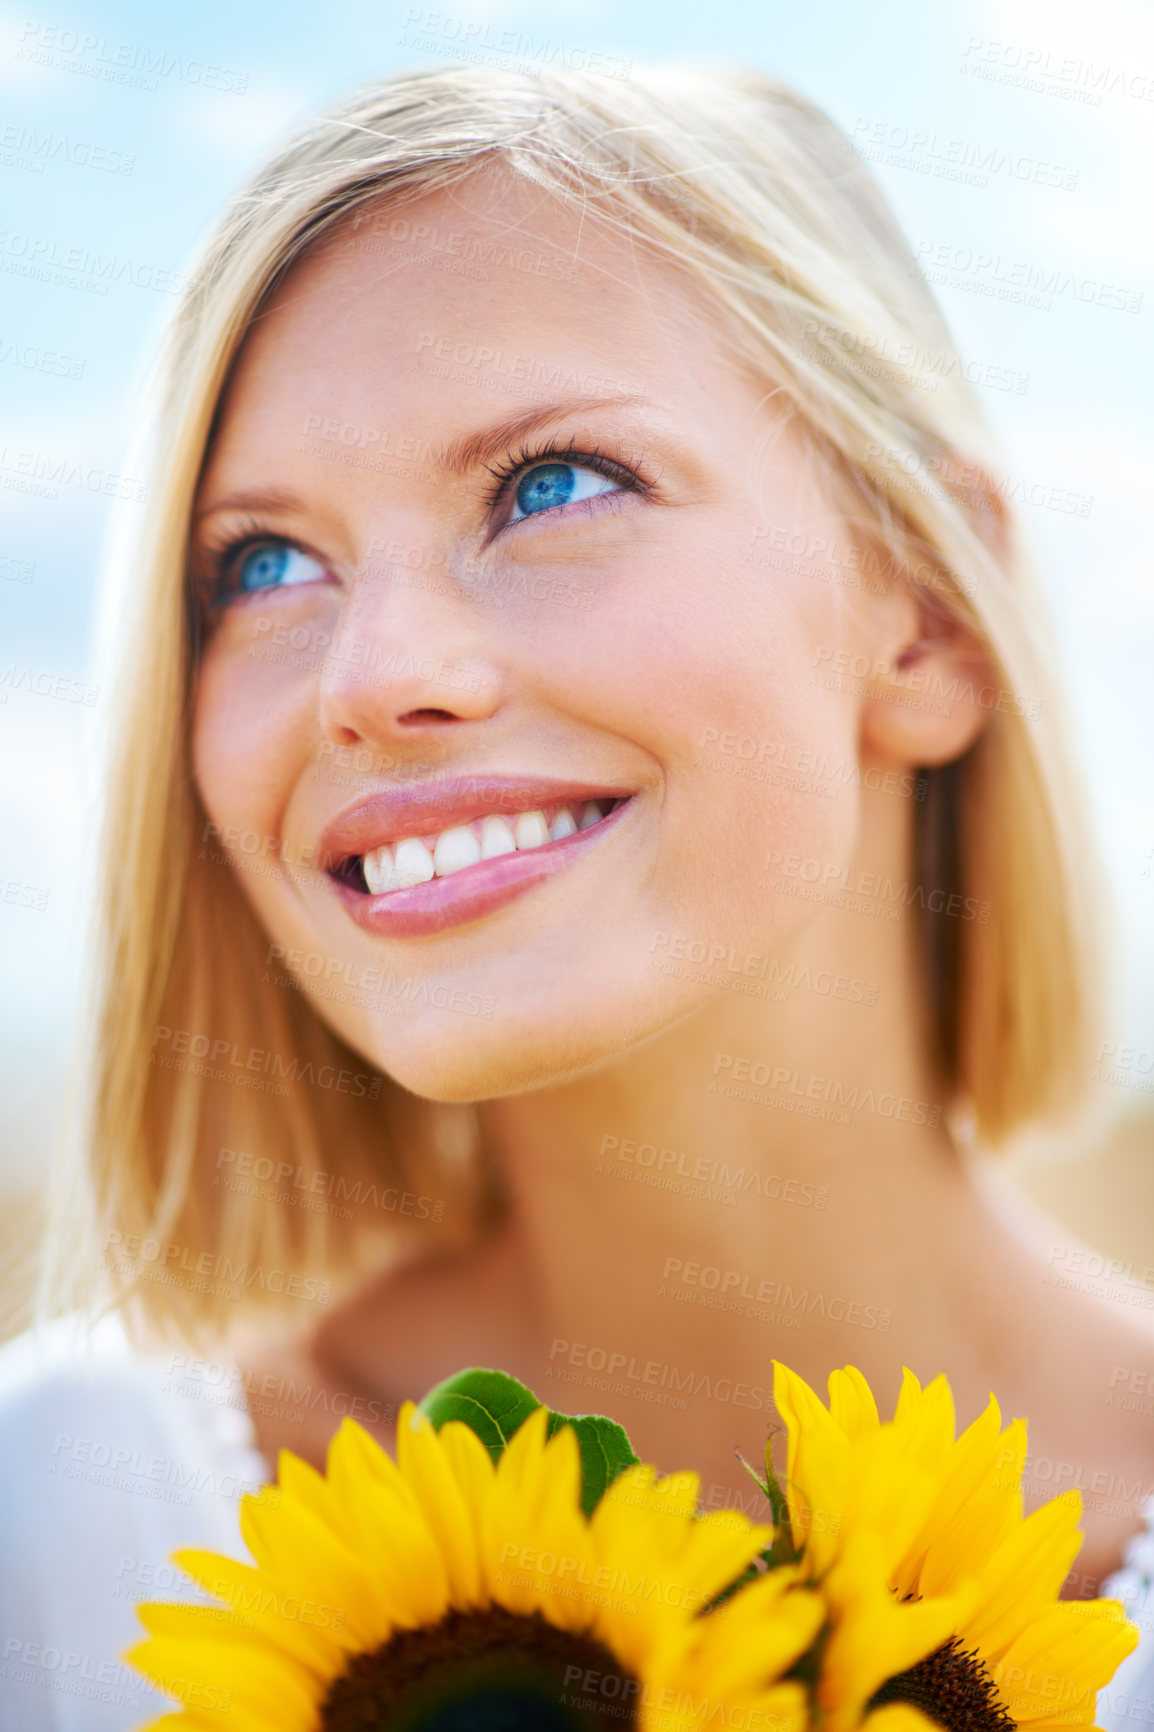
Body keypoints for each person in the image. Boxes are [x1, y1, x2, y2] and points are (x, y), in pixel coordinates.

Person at [2, 61, 1152, 1730]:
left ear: (923, 618)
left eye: (552, 484)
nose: (372, 678)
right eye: (263, 564)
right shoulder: (60, 1535)